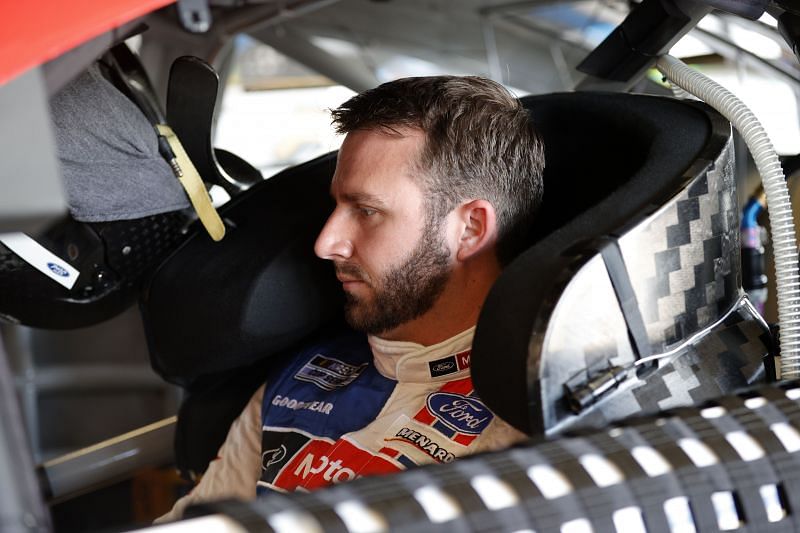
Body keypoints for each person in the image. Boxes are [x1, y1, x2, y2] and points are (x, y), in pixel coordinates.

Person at [157, 75, 544, 521]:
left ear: (471, 229)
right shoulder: (296, 381)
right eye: (336, 206)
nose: (326, 243)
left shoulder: (527, 419)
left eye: (366, 211)